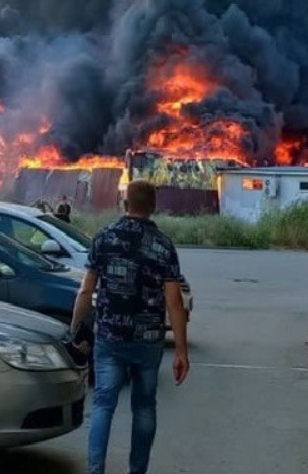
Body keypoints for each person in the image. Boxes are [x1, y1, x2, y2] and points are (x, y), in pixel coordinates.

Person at [72, 180, 190, 474]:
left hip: (110, 337)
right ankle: (137, 470)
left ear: (125, 204)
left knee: (102, 405)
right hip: (148, 340)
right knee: (145, 407)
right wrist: (181, 352)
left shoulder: (103, 238)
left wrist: (74, 328)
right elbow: (174, 302)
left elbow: (86, 292)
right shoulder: (163, 246)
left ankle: (95, 469)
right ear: (153, 207)